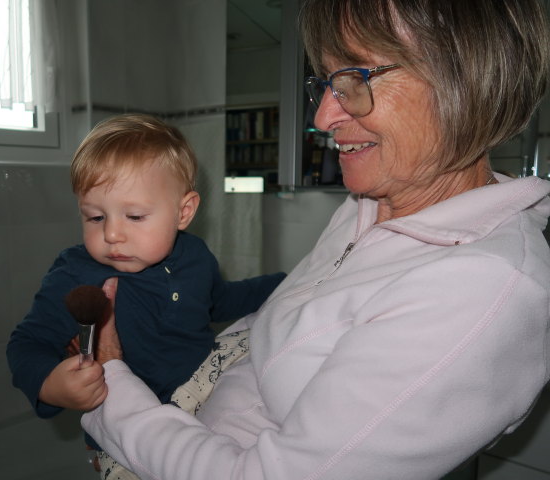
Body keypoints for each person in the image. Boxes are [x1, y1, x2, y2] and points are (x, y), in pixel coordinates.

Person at [82, 1, 550, 479]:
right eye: (326, 82)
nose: (324, 117)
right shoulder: (372, 203)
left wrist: (112, 387)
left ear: (468, 80)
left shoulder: (482, 289)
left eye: (355, 80)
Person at [6, 114, 286, 472]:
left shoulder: (195, 256)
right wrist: (49, 384)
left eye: (134, 217)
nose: (111, 234)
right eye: (95, 217)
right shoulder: (76, 273)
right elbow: (27, 341)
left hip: (208, 412)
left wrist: (285, 282)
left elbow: (219, 301)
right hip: (127, 436)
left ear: (183, 212)